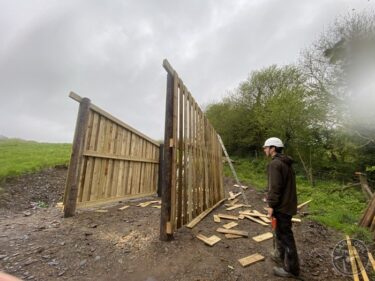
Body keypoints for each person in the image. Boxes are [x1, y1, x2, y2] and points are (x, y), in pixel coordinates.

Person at [263, 137, 300, 278]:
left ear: (273, 148)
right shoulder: (286, 162)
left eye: (266, 147)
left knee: (286, 237)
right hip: (287, 204)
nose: (264, 150)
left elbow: (275, 187)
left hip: (281, 207)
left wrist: (271, 204)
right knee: (280, 233)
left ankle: (291, 269)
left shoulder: (275, 164)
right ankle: (280, 255)